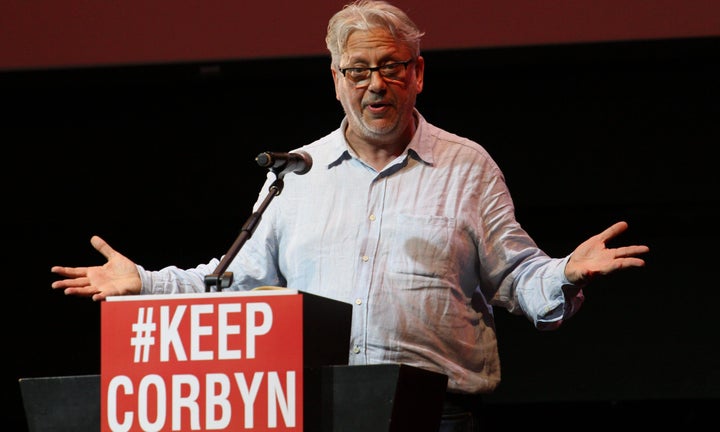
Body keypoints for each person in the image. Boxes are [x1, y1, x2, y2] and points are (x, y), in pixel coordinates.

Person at [51, 1, 649, 430]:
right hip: (317, 408)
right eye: (358, 71)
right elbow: (236, 282)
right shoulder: (295, 172)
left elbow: (516, 277)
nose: (375, 85)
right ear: (336, 79)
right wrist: (147, 284)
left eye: (391, 67)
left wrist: (566, 272)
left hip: (436, 411)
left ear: (417, 74)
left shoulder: (467, 167)